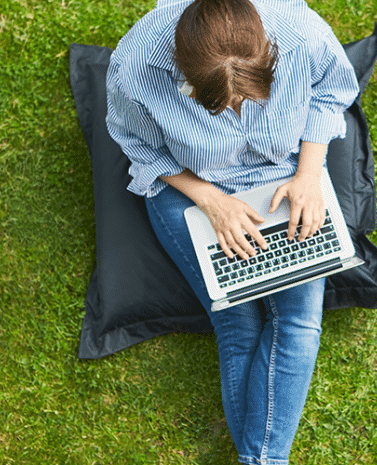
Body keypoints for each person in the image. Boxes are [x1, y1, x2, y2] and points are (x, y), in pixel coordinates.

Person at [105, 0, 359, 462]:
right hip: (191, 185)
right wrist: (210, 199)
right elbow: (138, 144)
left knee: (300, 322)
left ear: (269, 55)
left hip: (282, 175)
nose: (240, 109)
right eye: (226, 103)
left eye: (249, 98)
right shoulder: (136, 65)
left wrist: (308, 175)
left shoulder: (301, 33)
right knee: (237, 321)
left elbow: (331, 91)